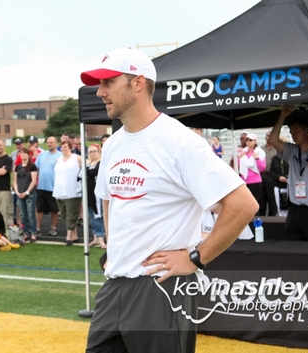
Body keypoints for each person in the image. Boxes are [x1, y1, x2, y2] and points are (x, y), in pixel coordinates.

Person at [80, 48, 256, 352]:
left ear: (137, 83)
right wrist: (114, 248)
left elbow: (243, 204)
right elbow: (110, 199)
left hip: (160, 287)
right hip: (115, 284)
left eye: (109, 82)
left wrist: (196, 258)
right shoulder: (114, 144)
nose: (100, 92)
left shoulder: (180, 142)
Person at [269, 105, 308, 241]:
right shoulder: (291, 150)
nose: (293, 135)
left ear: (307, 131)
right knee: (293, 246)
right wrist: (283, 116)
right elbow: (273, 140)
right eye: (291, 132)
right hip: (295, 207)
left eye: (296, 131)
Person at [53, 140, 82, 245]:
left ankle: (68, 236)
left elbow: (86, 168)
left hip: (73, 191)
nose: (63, 148)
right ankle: (74, 235)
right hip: (59, 191)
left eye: (65, 146)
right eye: (62, 147)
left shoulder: (77, 158)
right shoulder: (58, 159)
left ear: (70, 147)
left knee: (71, 214)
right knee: (64, 215)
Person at [35, 136, 61, 237]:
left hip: (53, 187)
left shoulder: (60, 156)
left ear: (56, 143)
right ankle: (37, 228)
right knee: (40, 209)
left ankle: (53, 228)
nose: (49, 144)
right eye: (48, 142)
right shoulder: (42, 154)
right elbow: (36, 168)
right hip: (41, 187)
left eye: (51, 142)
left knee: (54, 209)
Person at [13, 148, 38, 242]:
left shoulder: (32, 166)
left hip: (30, 194)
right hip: (20, 193)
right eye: (21, 153)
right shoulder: (17, 167)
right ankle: (25, 233)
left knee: (31, 214)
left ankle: (34, 233)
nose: (23, 155)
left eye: (25, 153)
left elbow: (34, 180)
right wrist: (17, 191)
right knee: (23, 214)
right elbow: (15, 181)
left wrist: (27, 192)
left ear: (29, 155)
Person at [237, 133, 266, 214]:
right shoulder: (244, 152)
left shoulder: (259, 152)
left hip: (255, 181)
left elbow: (262, 168)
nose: (248, 142)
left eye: (250, 140)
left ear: (255, 141)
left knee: (254, 203)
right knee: (245, 203)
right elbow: (238, 166)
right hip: (244, 181)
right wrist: (239, 157)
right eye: (246, 140)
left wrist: (257, 158)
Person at [85, 143, 106, 248]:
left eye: (94, 151)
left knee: (98, 216)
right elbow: (80, 175)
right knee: (91, 216)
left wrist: (88, 172)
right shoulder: (87, 164)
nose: (92, 154)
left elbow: (93, 172)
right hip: (88, 193)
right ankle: (95, 238)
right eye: (90, 152)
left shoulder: (101, 163)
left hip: (97, 194)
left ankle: (101, 238)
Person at [268, 136, 291, 217]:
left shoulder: (291, 158)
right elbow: (271, 171)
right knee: (281, 209)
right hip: (278, 186)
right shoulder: (275, 158)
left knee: (292, 208)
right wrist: (278, 177)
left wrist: (288, 178)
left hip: (290, 186)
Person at [259, 131, 279, 216]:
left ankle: (272, 217)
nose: (268, 138)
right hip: (262, 175)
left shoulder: (277, 149)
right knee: (261, 198)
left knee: (272, 198)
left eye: (270, 136)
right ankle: (262, 217)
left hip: (272, 176)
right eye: (267, 136)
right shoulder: (261, 149)